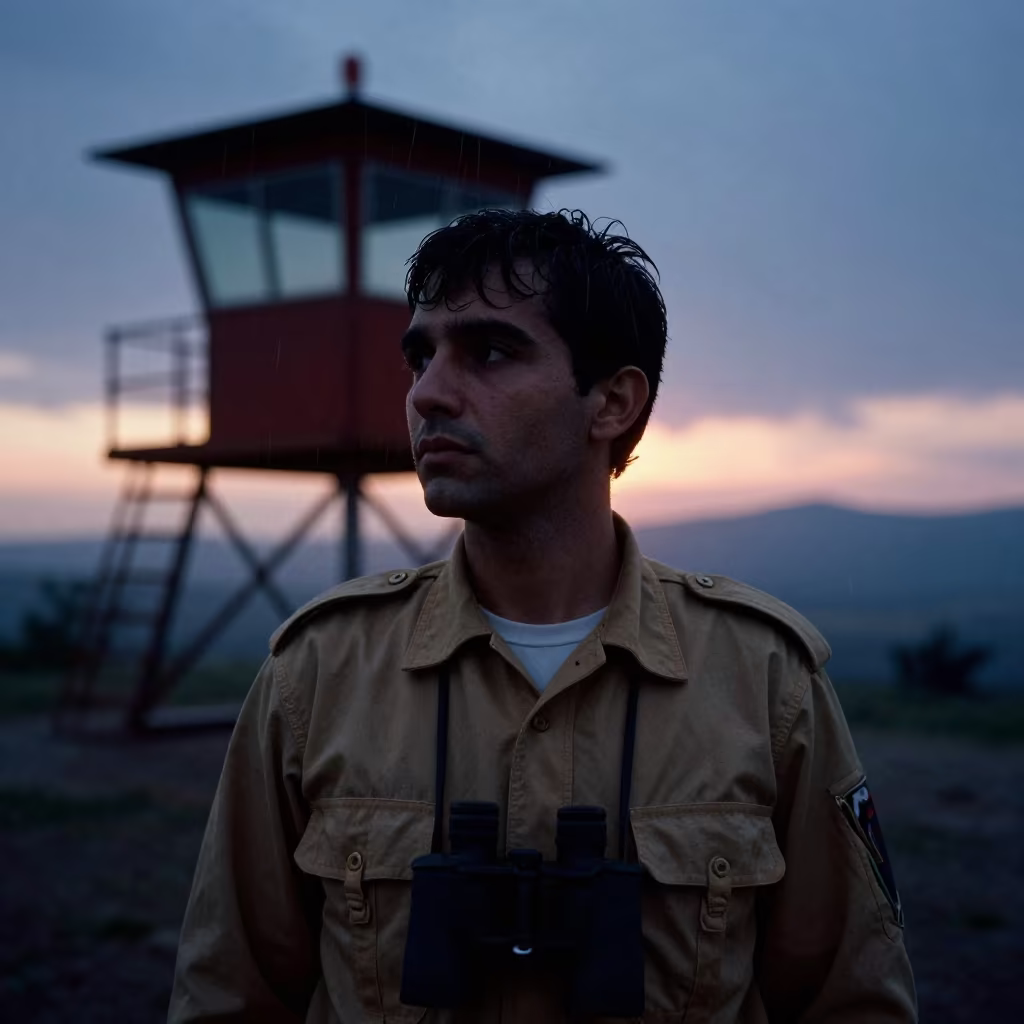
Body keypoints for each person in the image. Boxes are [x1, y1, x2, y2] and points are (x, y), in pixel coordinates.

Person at [169, 209, 917, 1022]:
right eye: (421, 355)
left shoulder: (763, 679)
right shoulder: (316, 673)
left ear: (612, 402)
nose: (428, 394)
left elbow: (852, 1000)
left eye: (489, 351)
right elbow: (227, 996)